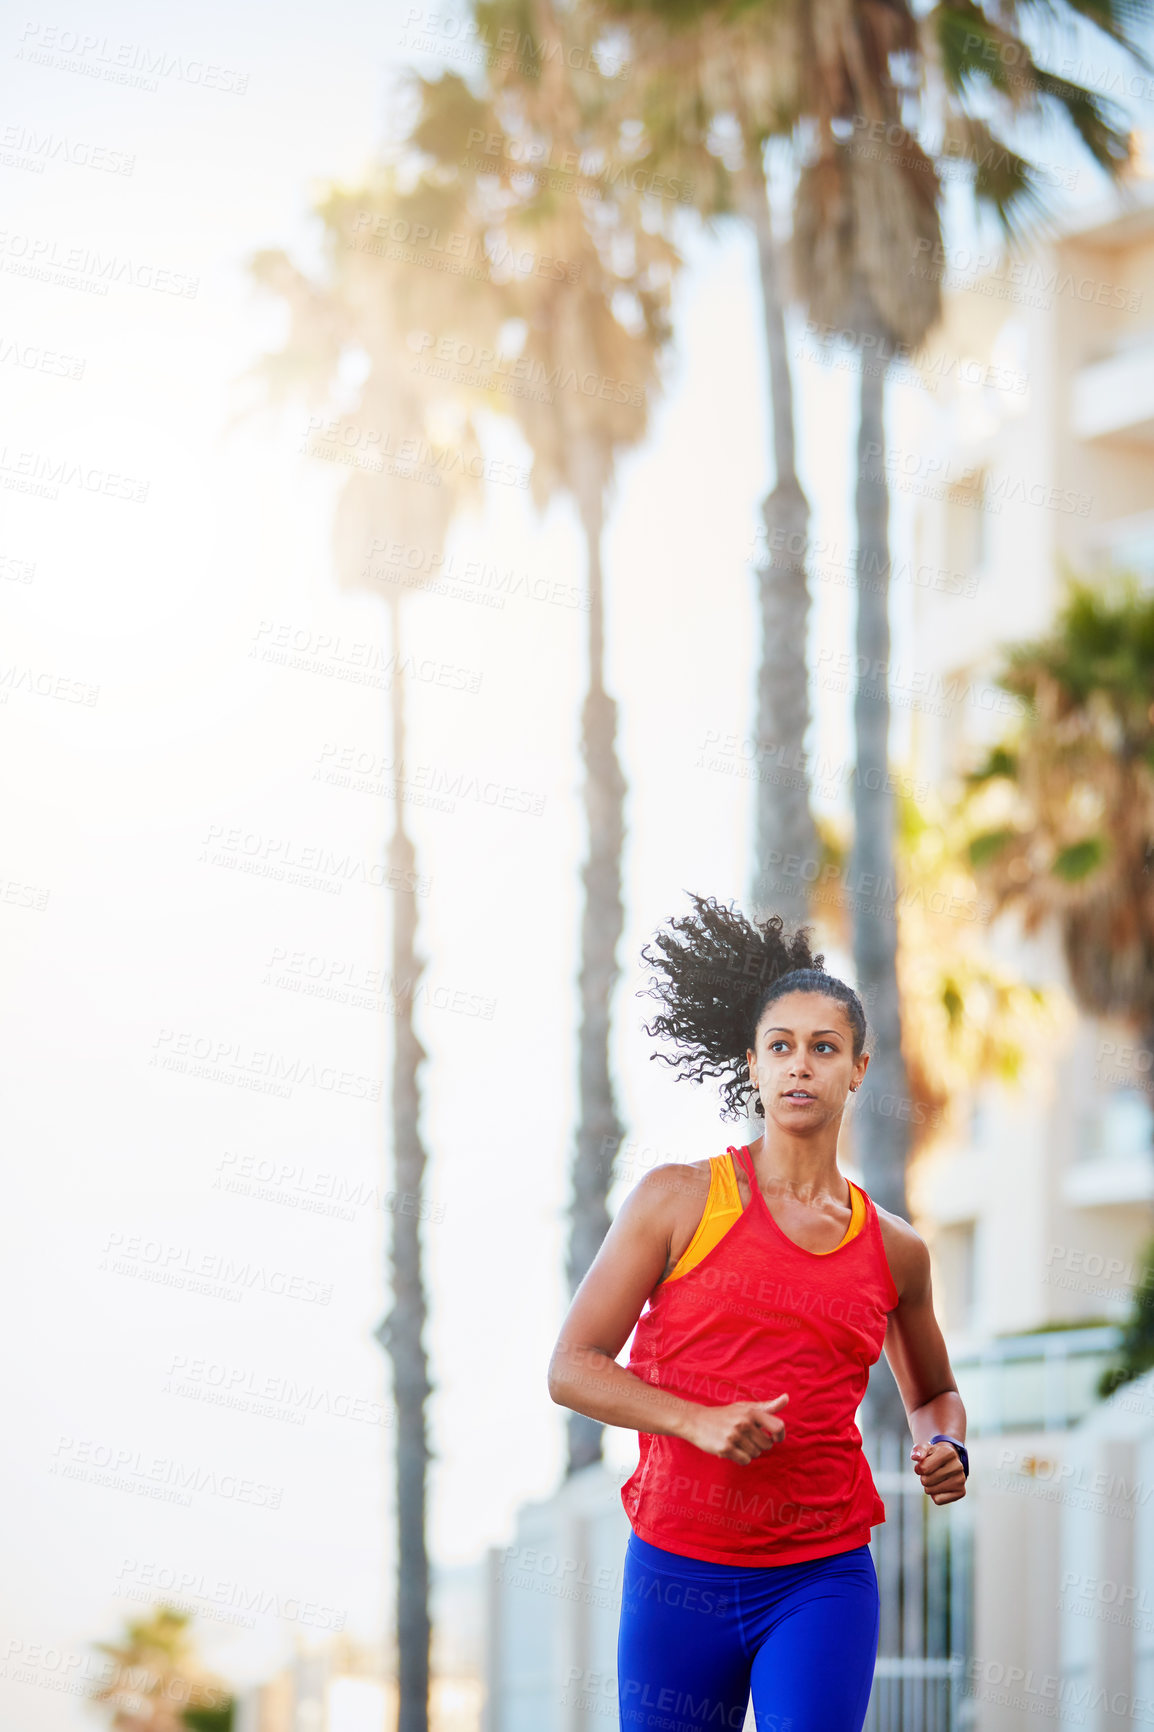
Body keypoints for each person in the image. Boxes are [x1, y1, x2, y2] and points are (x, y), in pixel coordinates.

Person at [547, 894, 968, 1732]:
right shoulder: (678, 1200)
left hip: (821, 1575)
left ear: (859, 1068)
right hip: (676, 1573)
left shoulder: (895, 1250)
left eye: (823, 1048)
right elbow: (571, 1367)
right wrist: (695, 1421)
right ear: (752, 1064)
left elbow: (931, 1394)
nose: (799, 1066)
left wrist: (943, 1444)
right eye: (780, 1047)